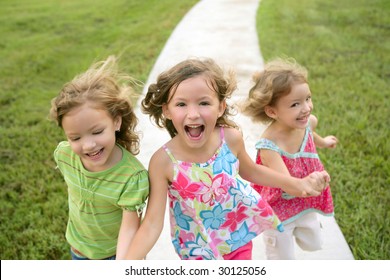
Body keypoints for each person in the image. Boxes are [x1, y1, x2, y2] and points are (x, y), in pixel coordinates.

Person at [124, 58, 329, 260]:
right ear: (167, 110)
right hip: (197, 251)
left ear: (220, 107)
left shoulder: (229, 138)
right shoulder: (163, 162)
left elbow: (251, 170)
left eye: (204, 103)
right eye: (181, 104)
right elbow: (152, 223)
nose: (193, 114)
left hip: (238, 236)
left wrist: (297, 183)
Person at [49, 56, 149, 260]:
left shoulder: (132, 177)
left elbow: (130, 230)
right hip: (78, 250)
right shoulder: (65, 155)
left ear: (116, 122)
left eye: (96, 132)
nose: (88, 145)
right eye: (75, 137)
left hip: (115, 255)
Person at [241, 57, 338, 259]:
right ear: (272, 111)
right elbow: (288, 185)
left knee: (314, 243)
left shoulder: (307, 122)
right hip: (279, 210)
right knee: (282, 258)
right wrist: (310, 183)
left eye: (308, 99)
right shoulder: (269, 145)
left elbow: (312, 135)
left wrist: (325, 142)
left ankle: (305, 227)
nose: (306, 108)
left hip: (304, 200)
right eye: (295, 104)